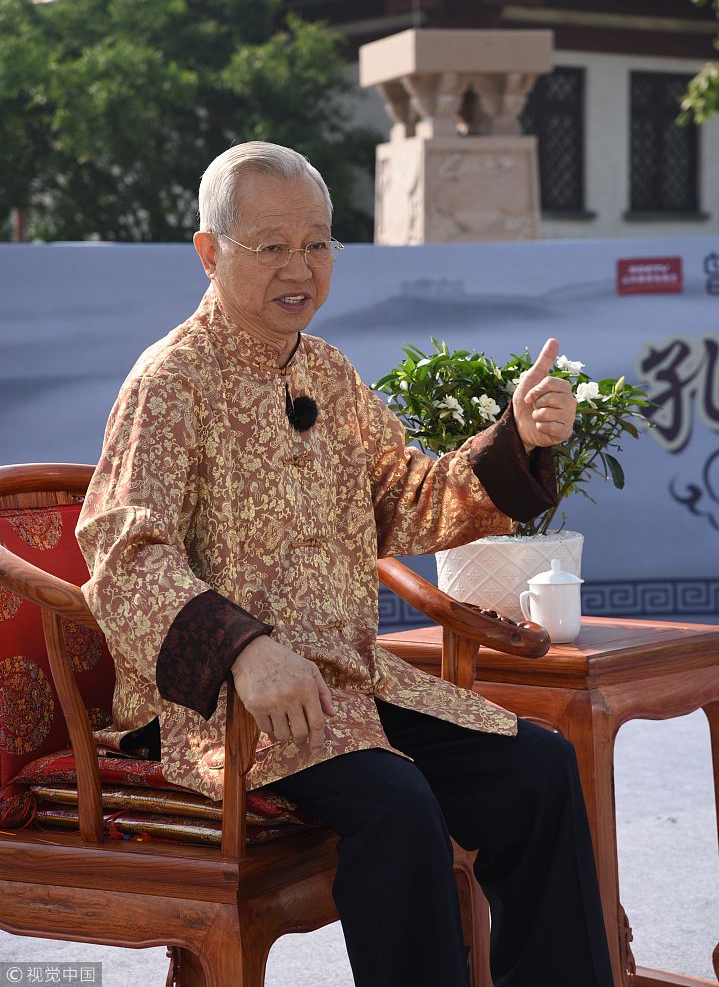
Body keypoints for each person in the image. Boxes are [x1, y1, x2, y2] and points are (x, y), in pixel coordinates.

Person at [76, 141, 614, 987]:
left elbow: (404, 496)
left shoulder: (326, 371)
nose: (301, 267)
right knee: (397, 809)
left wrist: (519, 439)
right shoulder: (170, 380)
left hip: (351, 686)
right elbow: (120, 551)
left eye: (318, 243)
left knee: (536, 769)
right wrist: (245, 651)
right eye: (272, 245)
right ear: (209, 252)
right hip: (226, 709)